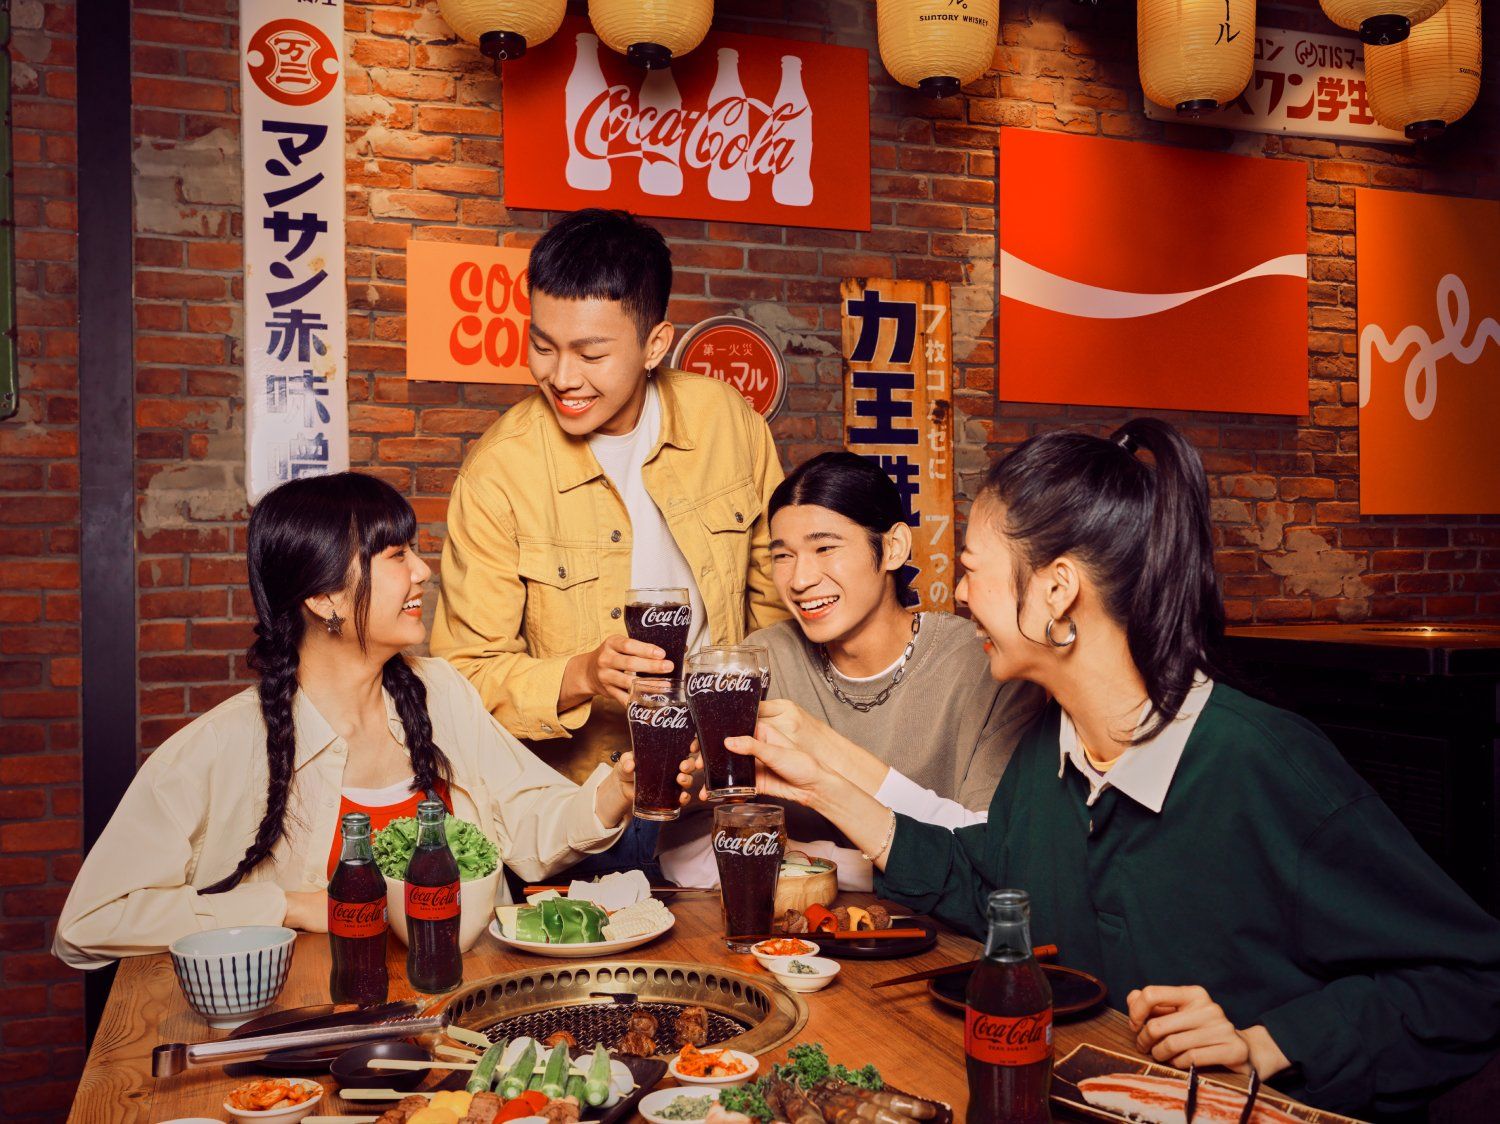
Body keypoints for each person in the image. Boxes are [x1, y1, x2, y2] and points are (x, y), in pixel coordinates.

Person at [720, 419, 1500, 1117]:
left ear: (1057, 591)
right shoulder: (1050, 753)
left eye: (971, 570)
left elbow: (1474, 982)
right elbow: (987, 888)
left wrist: (1268, 1043)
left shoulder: (1258, 763)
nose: (957, 595)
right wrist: (821, 784)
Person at [54, 473, 692, 968]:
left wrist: (620, 792)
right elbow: (90, 923)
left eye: (414, 550)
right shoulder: (222, 746)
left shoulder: (438, 691)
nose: (422, 570)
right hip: (316, 1033)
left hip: (465, 1008)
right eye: (395, 554)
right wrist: (289, 907)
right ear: (324, 595)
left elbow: (526, 826)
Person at [431, 208, 785, 877]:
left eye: (592, 354)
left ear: (655, 345)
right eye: (543, 345)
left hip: (725, 797)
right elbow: (459, 678)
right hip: (580, 814)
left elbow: (776, 620)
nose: (562, 376)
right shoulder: (499, 470)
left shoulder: (728, 426)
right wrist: (582, 674)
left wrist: (739, 742)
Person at [657, 451, 1042, 889]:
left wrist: (801, 851)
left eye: (825, 548)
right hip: (788, 941)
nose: (800, 579)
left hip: (940, 942)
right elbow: (679, 846)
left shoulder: (985, 662)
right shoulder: (759, 662)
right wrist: (835, 865)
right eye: (782, 556)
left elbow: (994, 856)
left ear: (893, 547)